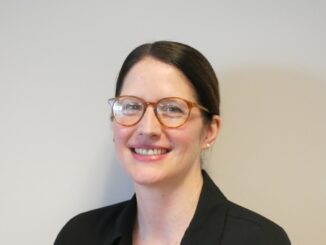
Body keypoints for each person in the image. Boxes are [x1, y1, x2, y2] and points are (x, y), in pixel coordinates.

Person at [54, 41, 291, 245]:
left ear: (209, 131)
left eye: (172, 109)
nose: (148, 129)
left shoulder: (259, 240)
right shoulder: (80, 236)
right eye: (132, 106)